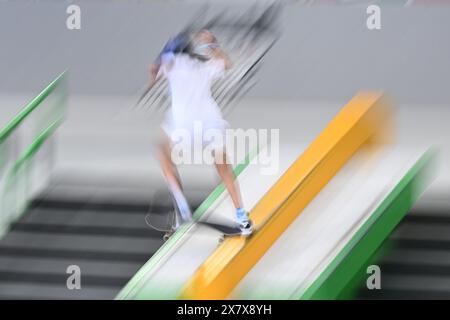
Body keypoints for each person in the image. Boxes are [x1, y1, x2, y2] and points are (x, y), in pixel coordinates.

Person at [149, 29, 253, 235]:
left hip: (182, 126)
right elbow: (227, 63)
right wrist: (213, 45)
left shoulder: (171, 61)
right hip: (210, 122)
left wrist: (161, 59)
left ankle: (182, 208)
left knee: (162, 153)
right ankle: (242, 217)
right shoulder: (206, 64)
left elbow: (153, 71)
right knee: (224, 168)